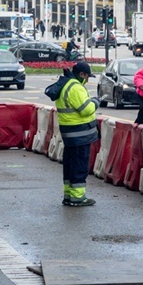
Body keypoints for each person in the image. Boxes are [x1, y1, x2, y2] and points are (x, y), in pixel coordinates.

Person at [48, 59, 98, 206]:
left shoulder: (66, 85)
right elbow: (86, 109)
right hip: (80, 133)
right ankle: (78, 197)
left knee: (70, 165)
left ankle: (69, 195)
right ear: (81, 74)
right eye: (87, 76)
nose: (87, 80)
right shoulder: (75, 87)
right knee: (79, 165)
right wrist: (95, 101)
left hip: (70, 132)